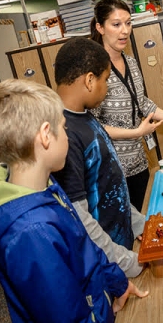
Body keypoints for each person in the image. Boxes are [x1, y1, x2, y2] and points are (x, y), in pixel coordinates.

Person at [0, 80, 148, 322]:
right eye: (64, 128)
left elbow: (83, 245)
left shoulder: (47, 186)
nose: (67, 135)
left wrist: (117, 282)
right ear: (46, 135)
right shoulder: (31, 233)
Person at [90, 0, 163, 213]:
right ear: (100, 27)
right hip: (112, 169)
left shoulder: (130, 62)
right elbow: (91, 126)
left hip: (138, 163)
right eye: (116, 24)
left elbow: (142, 102)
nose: (125, 31)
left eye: (128, 23)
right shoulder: (94, 69)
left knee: (148, 219)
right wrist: (135, 132)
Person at [52, 37, 144, 278]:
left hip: (123, 247)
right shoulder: (64, 134)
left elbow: (110, 185)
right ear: (90, 81)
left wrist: (139, 224)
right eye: (106, 80)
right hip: (109, 264)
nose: (108, 88)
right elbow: (81, 219)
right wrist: (127, 262)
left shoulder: (85, 116)